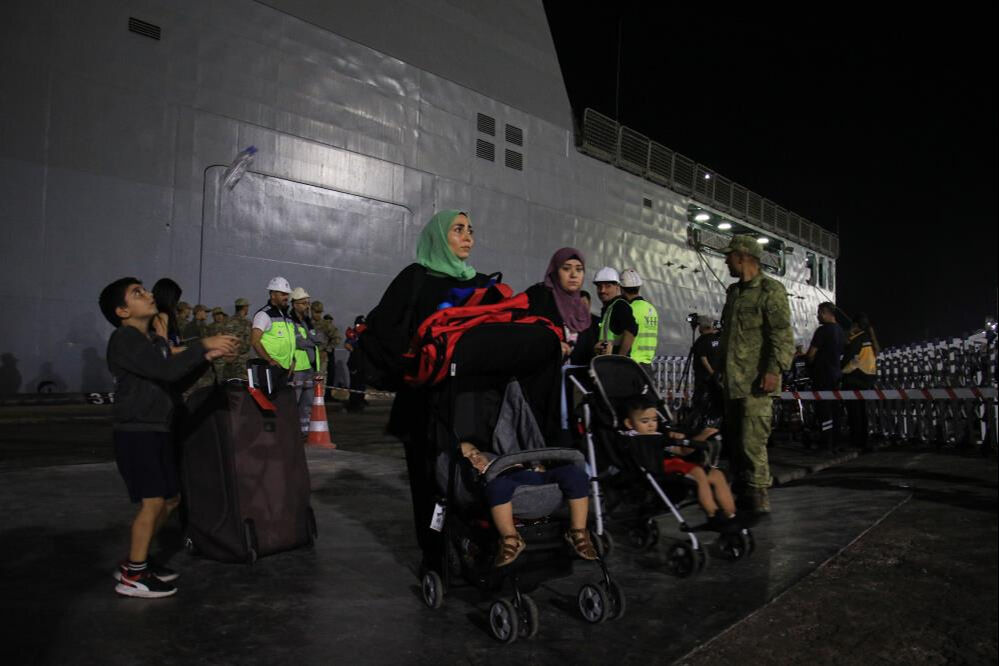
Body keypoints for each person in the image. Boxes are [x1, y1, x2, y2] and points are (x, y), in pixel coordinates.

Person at [361, 210, 498, 564]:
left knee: (472, 474)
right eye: (458, 229)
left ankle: (475, 547)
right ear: (438, 237)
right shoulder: (415, 279)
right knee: (428, 483)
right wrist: (413, 366)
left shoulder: (483, 285)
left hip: (471, 401)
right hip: (424, 401)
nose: (468, 237)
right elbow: (382, 330)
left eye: (470, 230)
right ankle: (435, 557)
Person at [98, 277, 237, 598]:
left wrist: (206, 359)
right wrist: (203, 344)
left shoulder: (152, 343)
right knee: (153, 502)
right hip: (136, 431)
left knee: (171, 499)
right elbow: (165, 371)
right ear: (122, 311)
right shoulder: (125, 338)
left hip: (158, 428)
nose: (148, 294)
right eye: (137, 293)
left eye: (144, 289)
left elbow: (174, 379)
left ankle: (137, 561)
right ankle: (133, 576)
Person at [718, 234, 794, 515]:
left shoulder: (770, 290)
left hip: (757, 381)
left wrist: (773, 370)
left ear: (742, 257)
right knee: (735, 441)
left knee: (753, 440)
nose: (726, 261)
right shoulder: (733, 292)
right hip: (733, 380)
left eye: (729, 256)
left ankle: (759, 494)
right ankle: (741, 493)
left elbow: (781, 334)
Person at [459, 440, 596, 566]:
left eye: (476, 452)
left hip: (533, 477)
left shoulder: (500, 460)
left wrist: (537, 468)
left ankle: (578, 531)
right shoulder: (477, 477)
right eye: (469, 457)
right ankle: (510, 538)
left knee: (573, 473)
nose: (475, 457)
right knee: (497, 487)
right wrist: (478, 474)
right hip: (508, 488)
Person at [621, 395, 736, 527]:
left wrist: (683, 438)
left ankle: (731, 515)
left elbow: (681, 451)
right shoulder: (632, 438)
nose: (651, 425)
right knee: (698, 473)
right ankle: (713, 514)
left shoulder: (658, 435)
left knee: (717, 475)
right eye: (645, 421)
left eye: (654, 420)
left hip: (675, 464)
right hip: (657, 469)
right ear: (629, 423)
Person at [525, 247, 597, 365]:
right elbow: (524, 337)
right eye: (566, 268)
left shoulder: (581, 308)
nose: (574, 274)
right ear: (555, 271)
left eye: (579, 269)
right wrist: (549, 346)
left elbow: (586, 352)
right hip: (543, 374)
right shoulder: (539, 296)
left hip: (574, 376)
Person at [805, 302, 846, 453]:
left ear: (824, 312)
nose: (817, 316)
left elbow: (811, 354)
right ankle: (836, 441)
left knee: (823, 411)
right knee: (835, 410)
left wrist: (808, 362)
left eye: (819, 313)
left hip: (822, 376)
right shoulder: (840, 330)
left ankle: (825, 443)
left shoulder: (822, 331)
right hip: (836, 376)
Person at [841, 312, 879, 450]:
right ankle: (863, 440)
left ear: (855, 325)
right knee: (862, 412)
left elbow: (850, 362)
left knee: (854, 413)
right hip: (866, 380)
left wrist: (840, 372)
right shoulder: (869, 339)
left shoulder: (857, 340)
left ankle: (856, 441)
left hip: (854, 379)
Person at [290, 287, 323, 436]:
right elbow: (299, 342)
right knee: (294, 402)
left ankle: (304, 432)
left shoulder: (307, 322)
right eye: (303, 303)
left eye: (307, 303)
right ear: (294, 304)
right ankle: (291, 432)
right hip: (298, 368)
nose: (307, 306)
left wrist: (311, 341)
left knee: (307, 403)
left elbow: (319, 339)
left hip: (310, 368)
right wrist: (311, 342)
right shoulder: (290, 321)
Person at [250, 277, 295, 387]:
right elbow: (255, 341)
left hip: (286, 369)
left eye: (287, 294)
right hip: (270, 369)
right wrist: (269, 360)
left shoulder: (287, 316)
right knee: (270, 398)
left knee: (283, 397)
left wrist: (292, 360)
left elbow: (290, 341)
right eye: (283, 294)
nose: (286, 297)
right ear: (273, 295)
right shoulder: (263, 315)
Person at [619, 268, 659, 374]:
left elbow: (626, 336)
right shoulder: (652, 309)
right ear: (639, 287)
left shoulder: (629, 309)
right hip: (647, 365)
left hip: (632, 364)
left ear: (621, 289)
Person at [591, 267, 638, 358]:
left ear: (617, 287)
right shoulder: (609, 308)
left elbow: (631, 330)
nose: (602, 290)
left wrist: (620, 358)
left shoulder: (620, 305)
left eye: (608, 286)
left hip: (615, 363)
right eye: (599, 286)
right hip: (608, 361)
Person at [219, 298, 252, 381]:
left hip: (229, 358)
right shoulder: (247, 323)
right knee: (242, 384)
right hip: (241, 361)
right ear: (245, 307)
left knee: (229, 382)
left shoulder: (227, 321)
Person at [691, 315, 721, 399]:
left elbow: (703, 359)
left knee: (701, 398)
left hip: (704, 377)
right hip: (716, 376)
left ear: (702, 327)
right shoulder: (717, 339)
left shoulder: (702, 340)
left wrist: (712, 373)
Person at [151, 278, 184, 349]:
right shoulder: (162, 316)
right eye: (176, 299)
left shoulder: (165, 316)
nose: (177, 303)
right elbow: (162, 348)